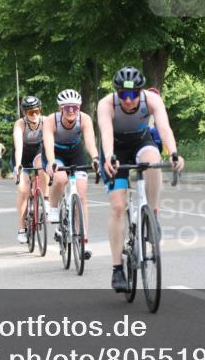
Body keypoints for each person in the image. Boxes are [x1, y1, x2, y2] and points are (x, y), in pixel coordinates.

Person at [97, 66, 184, 292]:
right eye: (123, 95)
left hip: (141, 141)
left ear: (140, 92)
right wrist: (108, 156)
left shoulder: (152, 100)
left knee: (153, 159)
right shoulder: (106, 104)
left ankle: (152, 213)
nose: (128, 100)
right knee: (117, 206)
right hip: (115, 147)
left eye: (133, 94)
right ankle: (117, 268)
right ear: (116, 93)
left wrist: (174, 153)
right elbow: (106, 132)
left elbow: (164, 128)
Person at [43, 89, 100, 258]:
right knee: (60, 178)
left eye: (74, 108)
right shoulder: (51, 120)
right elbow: (48, 143)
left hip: (76, 152)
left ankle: (83, 241)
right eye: (67, 107)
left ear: (79, 108)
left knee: (81, 195)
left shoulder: (85, 119)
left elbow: (89, 141)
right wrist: (52, 162)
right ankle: (53, 208)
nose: (71, 111)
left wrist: (95, 158)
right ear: (61, 108)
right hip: (55, 153)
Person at [13, 96, 47, 245]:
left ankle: (44, 200)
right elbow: (19, 145)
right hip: (22, 156)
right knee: (23, 190)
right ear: (24, 114)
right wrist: (18, 165)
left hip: (38, 153)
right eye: (29, 113)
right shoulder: (20, 124)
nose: (34, 115)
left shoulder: (46, 121)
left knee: (43, 168)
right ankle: (22, 228)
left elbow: (50, 144)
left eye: (36, 111)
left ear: (40, 110)